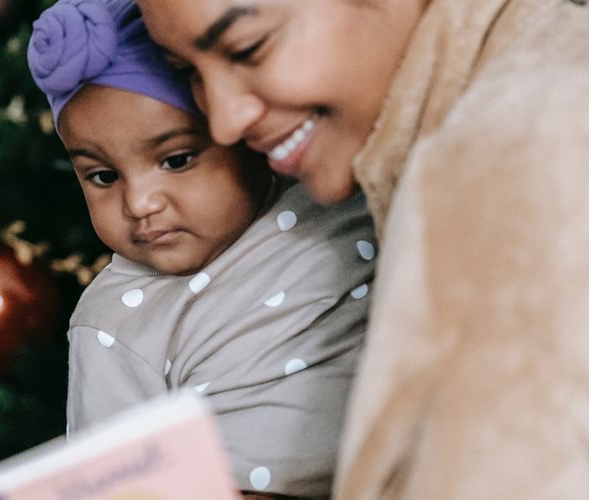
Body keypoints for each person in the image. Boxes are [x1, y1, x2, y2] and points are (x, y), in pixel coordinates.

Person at [134, 0, 589, 498]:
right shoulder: (549, 90)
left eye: (249, 48)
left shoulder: (521, 155)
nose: (224, 121)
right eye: (187, 72)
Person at [28, 0, 375, 496]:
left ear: (241, 135)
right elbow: (112, 486)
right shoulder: (114, 324)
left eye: (176, 159)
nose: (140, 202)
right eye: (103, 176)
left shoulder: (334, 195)